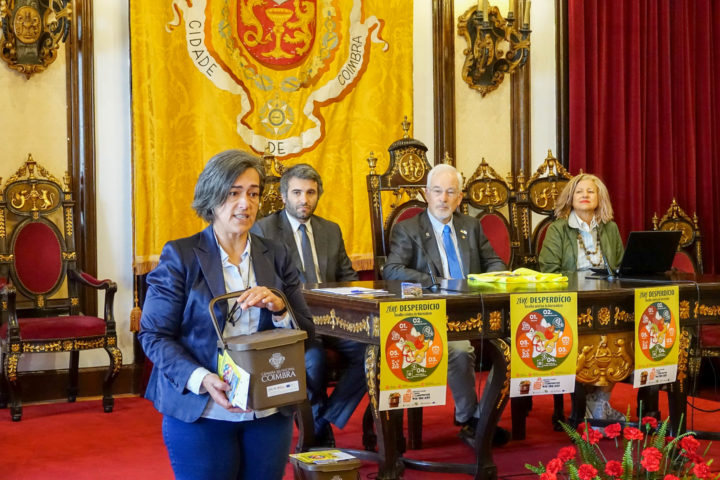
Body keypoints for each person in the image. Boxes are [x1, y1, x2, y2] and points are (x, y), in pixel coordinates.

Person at [139, 150, 315, 480]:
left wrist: (279, 309)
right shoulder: (181, 256)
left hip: (268, 410)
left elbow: (307, 332)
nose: (245, 204)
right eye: (233, 193)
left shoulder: (277, 254)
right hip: (201, 411)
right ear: (212, 197)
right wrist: (202, 379)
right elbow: (154, 335)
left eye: (253, 193)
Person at [383, 163, 510, 448]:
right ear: (426, 194)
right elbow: (392, 269)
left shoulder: (470, 226)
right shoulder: (409, 229)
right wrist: (437, 282)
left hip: (474, 310)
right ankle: (469, 417)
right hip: (433, 313)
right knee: (459, 349)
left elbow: (494, 262)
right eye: (437, 191)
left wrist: (489, 278)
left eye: (450, 192)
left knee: (513, 345)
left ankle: (482, 416)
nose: (443, 198)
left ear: (460, 197)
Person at [252, 163, 366, 447]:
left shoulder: (330, 230)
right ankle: (317, 429)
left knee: (373, 352)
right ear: (284, 196)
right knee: (313, 360)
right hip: (292, 322)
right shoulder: (264, 230)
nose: (304, 199)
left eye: (311, 192)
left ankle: (323, 420)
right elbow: (263, 282)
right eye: (297, 192)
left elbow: (347, 277)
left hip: (335, 320)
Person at [538, 172, 625, 421]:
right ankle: (592, 405)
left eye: (590, 191)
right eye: (579, 191)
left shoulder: (610, 229)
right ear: (570, 198)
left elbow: (620, 267)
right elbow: (549, 271)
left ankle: (599, 402)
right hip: (571, 303)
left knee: (621, 337)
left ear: (600, 198)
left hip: (607, 302)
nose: (585, 195)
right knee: (592, 339)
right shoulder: (557, 229)